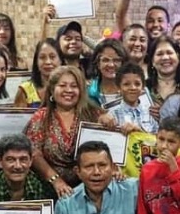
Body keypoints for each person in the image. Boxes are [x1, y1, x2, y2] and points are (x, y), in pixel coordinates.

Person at [25, 66, 113, 197]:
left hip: (91, 187)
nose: (69, 90)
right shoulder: (41, 117)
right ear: (52, 90)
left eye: (74, 86)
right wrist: (56, 181)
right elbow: (35, 153)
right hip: (50, 188)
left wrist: (110, 121)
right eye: (63, 85)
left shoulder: (94, 114)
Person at [111, 63, 158, 134]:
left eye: (137, 84)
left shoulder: (151, 112)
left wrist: (140, 132)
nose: (133, 88)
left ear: (143, 87)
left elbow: (157, 137)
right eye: (126, 84)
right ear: (118, 87)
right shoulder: (113, 114)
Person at [14, 38, 62, 108]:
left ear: (60, 60)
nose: (48, 62)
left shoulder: (67, 88)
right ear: (36, 61)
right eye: (42, 57)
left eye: (52, 57)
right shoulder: (25, 89)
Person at [145, 34, 180, 105]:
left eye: (169, 53)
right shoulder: (144, 87)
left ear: (178, 57)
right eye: (159, 54)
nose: (165, 57)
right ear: (152, 61)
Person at [87, 39, 126, 107]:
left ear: (123, 63)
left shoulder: (135, 90)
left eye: (116, 60)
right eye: (105, 60)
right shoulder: (87, 93)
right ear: (98, 64)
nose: (111, 65)